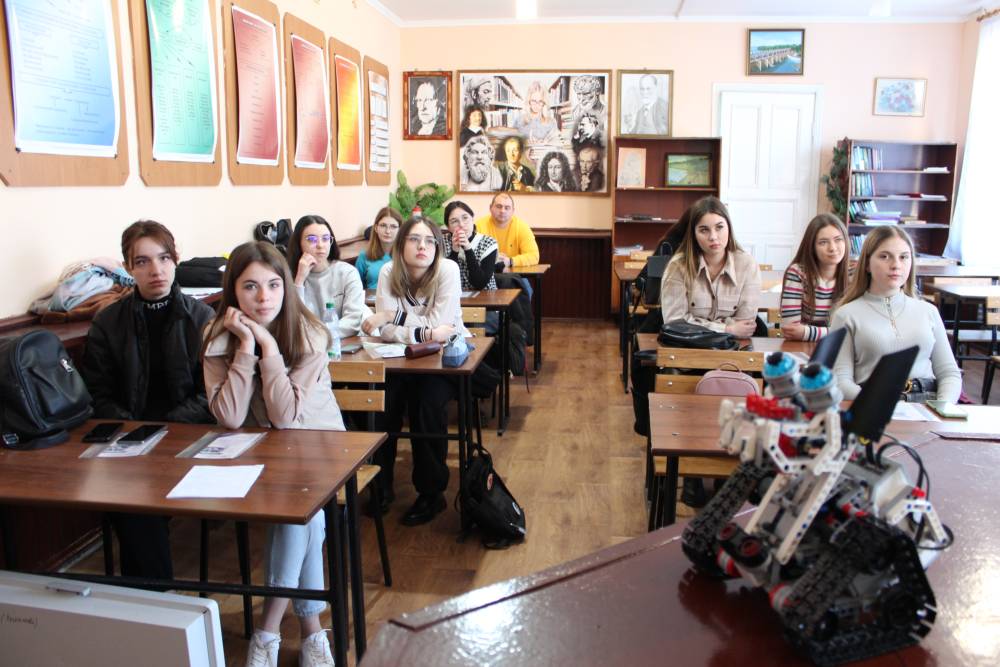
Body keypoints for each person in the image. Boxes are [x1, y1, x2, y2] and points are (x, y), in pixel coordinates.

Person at [202, 242, 341, 667]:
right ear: (233, 290)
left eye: (274, 285)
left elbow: (284, 415)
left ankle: (266, 633)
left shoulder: (311, 332)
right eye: (250, 287)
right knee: (307, 519)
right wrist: (247, 346)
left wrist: (269, 345)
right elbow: (228, 416)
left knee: (299, 512)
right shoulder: (217, 337)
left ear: (286, 287)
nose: (264, 297)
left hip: (320, 445)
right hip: (261, 454)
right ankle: (312, 631)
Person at [80, 220, 215, 584]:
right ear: (128, 268)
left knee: (140, 502)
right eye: (142, 261)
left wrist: (166, 429)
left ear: (176, 260)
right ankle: (154, 596)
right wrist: (135, 430)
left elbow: (210, 394)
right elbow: (97, 392)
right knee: (131, 497)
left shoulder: (202, 318)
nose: (156, 270)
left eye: (164, 258)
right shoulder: (109, 321)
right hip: (129, 437)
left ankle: (149, 597)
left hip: (188, 436)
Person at [360, 217, 469, 525]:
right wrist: (426, 332)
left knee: (427, 405)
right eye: (414, 239)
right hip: (399, 358)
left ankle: (432, 494)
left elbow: (441, 327)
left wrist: (392, 316)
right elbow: (387, 333)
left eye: (430, 241)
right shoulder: (388, 271)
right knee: (380, 404)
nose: (423, 246)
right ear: (400, 244)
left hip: (442, 360)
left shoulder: (447, 270)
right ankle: (380, 486)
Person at [830, 226, 961, 402]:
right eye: (885, 256)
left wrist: (942, 407)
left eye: (904, 257)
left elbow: (949, 373)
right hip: (874, 401)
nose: (896, 265)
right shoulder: (846, 315)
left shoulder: (928, 311)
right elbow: (841, 381)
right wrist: (879, 405)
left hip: (928, 402)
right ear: (867, 264)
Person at [660, 196, 761, 335]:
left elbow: (745, 325)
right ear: (694, 234)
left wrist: (695, 323)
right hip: (688, 344)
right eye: (704, 230)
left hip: (733, 345)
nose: (713, 237)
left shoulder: (747, 265)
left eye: (719, 227)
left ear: (729, 228)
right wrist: (727, 328)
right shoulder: (677, 266)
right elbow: (675, 322)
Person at [287, 214, 369, 338]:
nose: (320, 245)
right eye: (312, 239)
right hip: (308, 345)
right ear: (299, 243)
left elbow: (352, 322)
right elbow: (293, 323)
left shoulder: (347, 272)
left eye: (325, 239)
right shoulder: (289, 277)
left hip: (343, 342)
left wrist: (316, 334)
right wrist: (299, 280)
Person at [780, 213, 850, 341]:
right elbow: (791, 330)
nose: (832, 248)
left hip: (843, 349)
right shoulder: (798, 273)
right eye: (823, 242)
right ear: (812, 247)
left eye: (838, 239)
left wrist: (806, 332)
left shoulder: (854, 274)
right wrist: (839, 332)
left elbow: (857, 330)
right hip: (802, 348)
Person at [475, 193, 540, 269]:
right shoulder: (479, 226)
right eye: (499, 206)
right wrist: (492, 258)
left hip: (514, 272)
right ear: (490, 208)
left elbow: (534, 256)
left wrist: (510, 261)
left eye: (507, 208)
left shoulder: (521, 227)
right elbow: (470, 254)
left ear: (513, 211)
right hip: (485, 272)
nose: (502, 211)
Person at [445, 200, 497, 291]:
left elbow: (479, 284)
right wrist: (454, 251)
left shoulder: (488, 243)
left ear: (472, 219)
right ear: (448, 227)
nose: (461, 225)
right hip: (453, 296)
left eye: (465, 218)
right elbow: (446, 281)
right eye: (454, 221)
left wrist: (468, 249)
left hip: (486, 295)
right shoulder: (442, 243)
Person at [356, 207, 402, 290]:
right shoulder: (364, 256)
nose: (388, 231)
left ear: (400, 230)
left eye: (393, 226)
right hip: (371, 298)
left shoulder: (405, 255)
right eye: (383, 225)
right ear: (376, 228)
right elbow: (357, 288)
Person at [514, 81, 560, 146]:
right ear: (528, 100)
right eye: (533, 101)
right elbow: (512, 142)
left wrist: (547, 143)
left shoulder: (552, 122)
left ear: (544, 102)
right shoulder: (519, 120)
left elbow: (557, 143)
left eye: (540, 101)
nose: (537, 105)